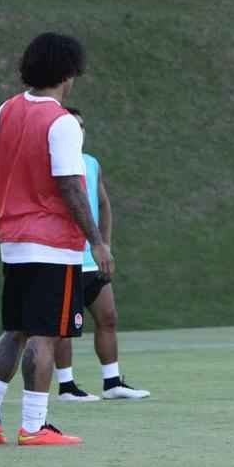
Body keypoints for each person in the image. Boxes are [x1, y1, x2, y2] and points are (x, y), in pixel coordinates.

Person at [0, 33, 113, 447]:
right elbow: (69, 186)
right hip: (52, 243)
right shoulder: (61, 121)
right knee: (45, 333)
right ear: (68, 73)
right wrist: (97, 242)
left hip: (12, 239)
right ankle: (34, 425)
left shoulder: (4, 112)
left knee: (15, 329)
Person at [54, 108, 149, 401]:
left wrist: (104, 245)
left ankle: (112, 384)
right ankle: (67, 387)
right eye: (74, 126)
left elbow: (104, 204)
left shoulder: (91, 163)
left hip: (92, 261)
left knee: (108, 317)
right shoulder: (54, 163)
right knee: (63, 328)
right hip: (65, 259)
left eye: (82, 126)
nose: (79, 131)